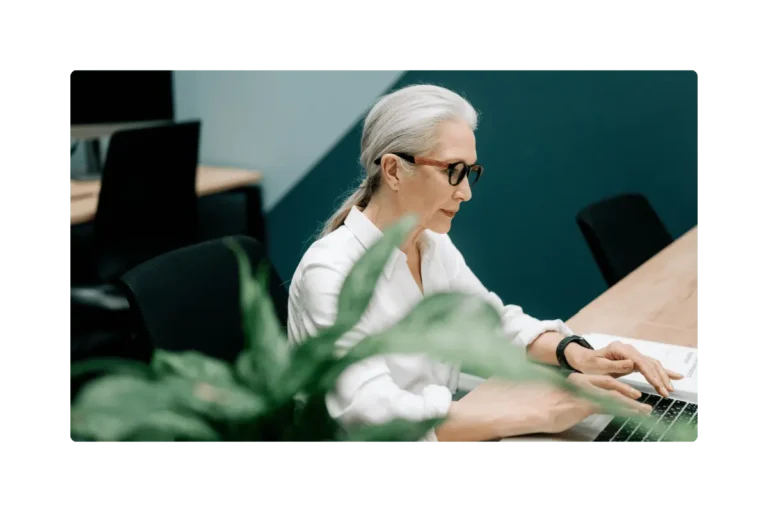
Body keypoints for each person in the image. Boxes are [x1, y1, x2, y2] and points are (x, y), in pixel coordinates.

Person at [286, 84, 683, 443]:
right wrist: (538, 411)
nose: (465, 194)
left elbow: (495, 324)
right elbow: (376, 419)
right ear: (392, 170)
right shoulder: (331, 273)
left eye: (470, 173)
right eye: (452, 172)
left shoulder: (431, 245)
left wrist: (576, 352)